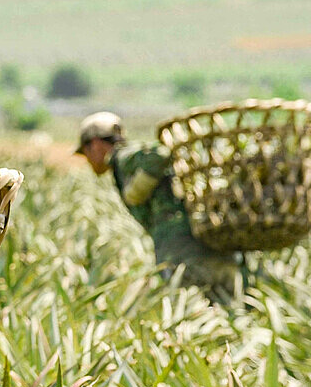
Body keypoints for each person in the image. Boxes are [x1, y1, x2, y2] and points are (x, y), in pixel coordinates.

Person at [75, 111, 240, 304]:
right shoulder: (125, 160)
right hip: (215, 250)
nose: (87, 160)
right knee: (231, 315)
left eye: (85, 153)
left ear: (94, 144)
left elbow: (160, 154)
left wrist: (134, 192)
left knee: (189, 316)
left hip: (184, 256)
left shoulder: (123, 156)